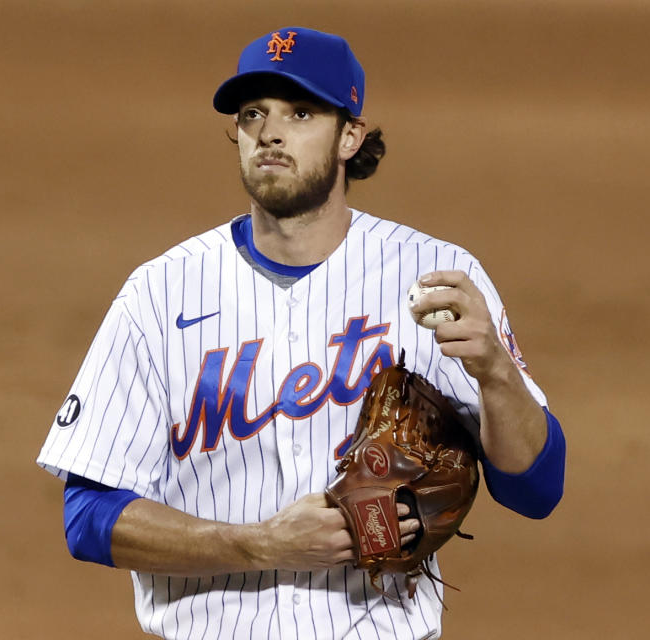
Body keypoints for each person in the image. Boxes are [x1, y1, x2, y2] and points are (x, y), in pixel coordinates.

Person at [36, 26, 565, 640]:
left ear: (350, 136)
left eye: (301, 112)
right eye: (253, 113)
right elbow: (89, 518)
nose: (271, 132)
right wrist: (260, 544)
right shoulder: (158, 295)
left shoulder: (438, 280)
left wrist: (496, 373)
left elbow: (537, 488)